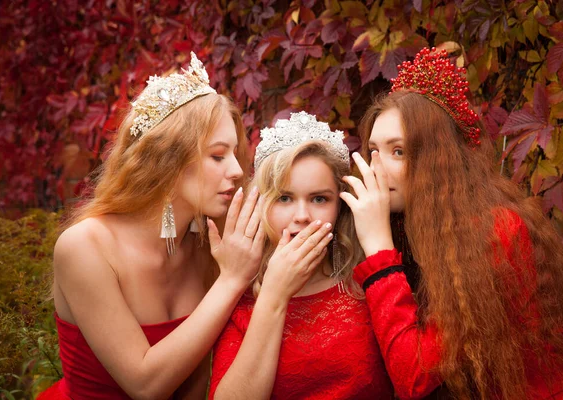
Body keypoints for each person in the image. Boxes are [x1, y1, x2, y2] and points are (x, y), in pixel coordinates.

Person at [342, 47, 563, 399]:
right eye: (373, 151)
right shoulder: (414, 228)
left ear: (438, 160)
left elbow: (413, 376)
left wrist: (379, 251)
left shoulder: (496, 232)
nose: (376, 168)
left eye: (398, 151)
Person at [39, 53, 268, 400]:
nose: (236, 171)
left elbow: (198, 382)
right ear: (167, 160)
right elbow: (146, 385)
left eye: (236, 154)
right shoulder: (85, 247)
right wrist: (232, 279)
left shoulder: (210, 244)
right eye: (218, 155)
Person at [209, 112, 394, 399]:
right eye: (284, 198)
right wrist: (274, 294)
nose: (302, 216)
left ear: (339, 205)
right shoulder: (240, 299)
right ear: (262, 204)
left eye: (319, 199)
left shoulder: (368, 285)